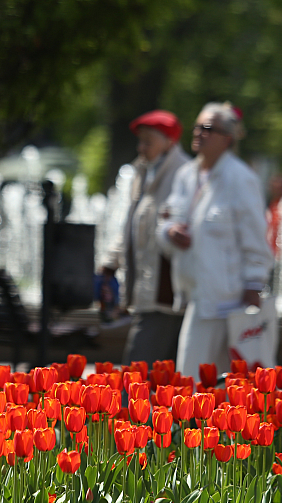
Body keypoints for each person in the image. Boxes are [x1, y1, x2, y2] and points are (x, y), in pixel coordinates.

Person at [157, 102, 274, 378]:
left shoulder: (240, 178)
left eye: (208, 128)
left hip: (232, 299)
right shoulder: (186, 175)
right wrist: (170, 231)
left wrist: (254, 285)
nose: (199, 133)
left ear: (228, 138)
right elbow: (167, 219)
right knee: (198, 377)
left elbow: (257, 238)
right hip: (198, 295)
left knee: (217, 380)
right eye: (197, 127)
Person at [101, 110, 191, 365]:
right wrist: (112, 261)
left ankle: (132, 407)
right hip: (148, 288)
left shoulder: (185, 174)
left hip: (167, 289)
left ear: (169, 141)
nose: (141, 147)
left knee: (140, 366)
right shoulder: (143, 171)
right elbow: (133, 223)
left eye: (148, 141)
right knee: (157, 370)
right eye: (140, 141)